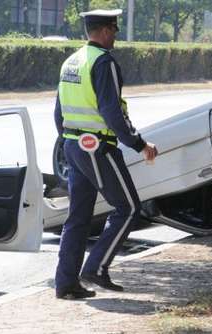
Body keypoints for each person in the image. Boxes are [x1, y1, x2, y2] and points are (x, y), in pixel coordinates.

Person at [54, 8, 158, 299]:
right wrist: (139, 144)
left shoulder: (71, 62)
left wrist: (69, 143)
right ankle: (96, 268)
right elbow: (112, 112)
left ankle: (66, 284)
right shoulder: (104, 63)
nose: (115, 35)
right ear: (103, 31)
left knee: (77, 218)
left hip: (74, 147)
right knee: (128, 208)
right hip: (98, 147)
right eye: (113, 29)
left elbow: (58, 111)